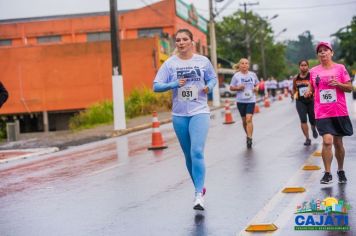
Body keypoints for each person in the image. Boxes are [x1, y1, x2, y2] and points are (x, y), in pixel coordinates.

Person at [153, 29, 217, 210]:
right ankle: (199, 186)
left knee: (197, 151)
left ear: (191, 42)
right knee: (188, 155)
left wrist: (208, 87)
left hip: (200, 111)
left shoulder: (202, 61)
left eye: (184, 39)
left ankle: (198, 195)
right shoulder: (170, 64)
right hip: (179, 115)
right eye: (178, 40)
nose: (181, 42)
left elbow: (212, 78)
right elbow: (156, 86)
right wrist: (173, 84)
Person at [304, 42, 353, 184]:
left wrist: (339, 84)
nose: (323, 53)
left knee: (338, 142)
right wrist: (308, 92)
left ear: (331, 53)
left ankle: (341, 170)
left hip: (339, 111)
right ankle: (327, 173)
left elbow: (350, 88)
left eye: (326, 50)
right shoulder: (313, 71)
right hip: (322, 112)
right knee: (327, 141)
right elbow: (311, 87)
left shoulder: (340, 68)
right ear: (318, 55)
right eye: (320, 51)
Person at [229, 58, 259, 149]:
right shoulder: (236, 76)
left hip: (251, 100)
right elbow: (231, 88)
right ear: (240, 65)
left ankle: (249, 138)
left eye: (246, 63)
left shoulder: (253, 75)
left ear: (248, 65)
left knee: (249, 119)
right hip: (240, 101)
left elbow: (257, 84)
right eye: (242, 63)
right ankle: (248, 134)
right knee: (244, 121)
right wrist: (238, 88)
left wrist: (256, 88)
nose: (245, 65)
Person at [293, 60, 318, 146]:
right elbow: (294, 89)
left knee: (312, 119)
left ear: (308, 66)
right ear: (299, 67)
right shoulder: (296, 78)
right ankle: (307, 138)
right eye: (302, 65)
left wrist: (313, 93)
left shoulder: (311, 76)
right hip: (300, 101)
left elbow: (316, 87)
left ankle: (313, 128)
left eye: (305, 65)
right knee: (303, 120)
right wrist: (294, 95)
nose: (303, 67)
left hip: (311, 101)